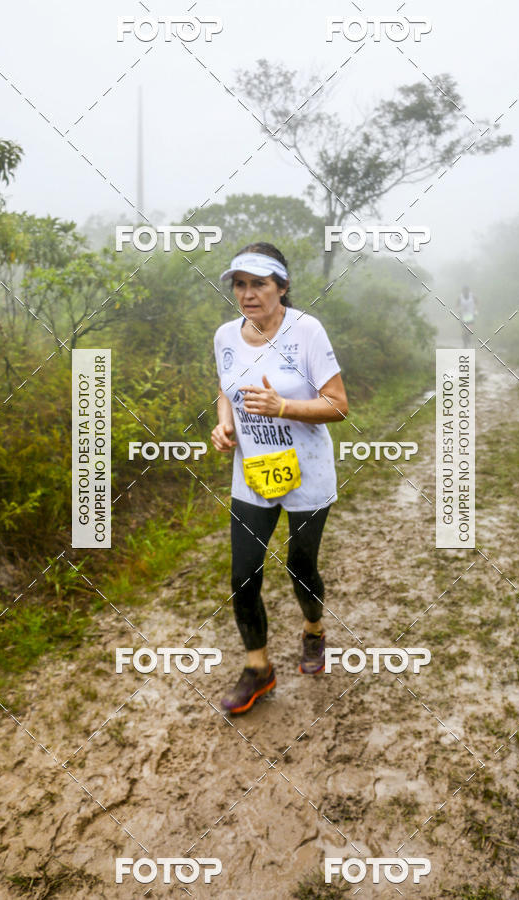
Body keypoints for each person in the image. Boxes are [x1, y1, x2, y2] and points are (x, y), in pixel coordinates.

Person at [211, 241, 349, 714]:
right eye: (240, 284)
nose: (248, 294)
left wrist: (284, 406)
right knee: (243, 574)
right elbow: (225, 391)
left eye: (259, 284)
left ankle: (313, 631)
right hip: (252, 473)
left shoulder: (306, 332)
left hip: (306, 474)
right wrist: (223, 423)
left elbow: (337, 405)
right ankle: (258, 669)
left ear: (282, 287)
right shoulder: (225, 336)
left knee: (300, 569)